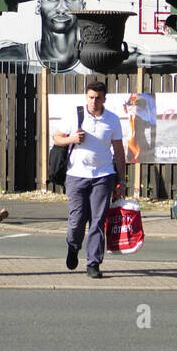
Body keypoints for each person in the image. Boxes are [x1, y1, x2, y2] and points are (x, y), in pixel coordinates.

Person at [52, 77, 126, 279]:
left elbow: (119, 151)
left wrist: (122, 180)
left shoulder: (112, 119)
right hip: (76, 175)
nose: (93, 102)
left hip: (103, 176)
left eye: (98, 98)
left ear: (104, 99)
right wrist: (71, 139)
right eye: (91, 97)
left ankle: (93, 263)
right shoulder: (75, 115)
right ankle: (73, 246)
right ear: (87, 97)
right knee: (77, 219)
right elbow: (57, 138)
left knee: (97, 221)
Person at [34, 0, 86, 73]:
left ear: (83, 7)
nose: (62, 9)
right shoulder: (12, 58)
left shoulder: (98, 63)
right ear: (39, 6)